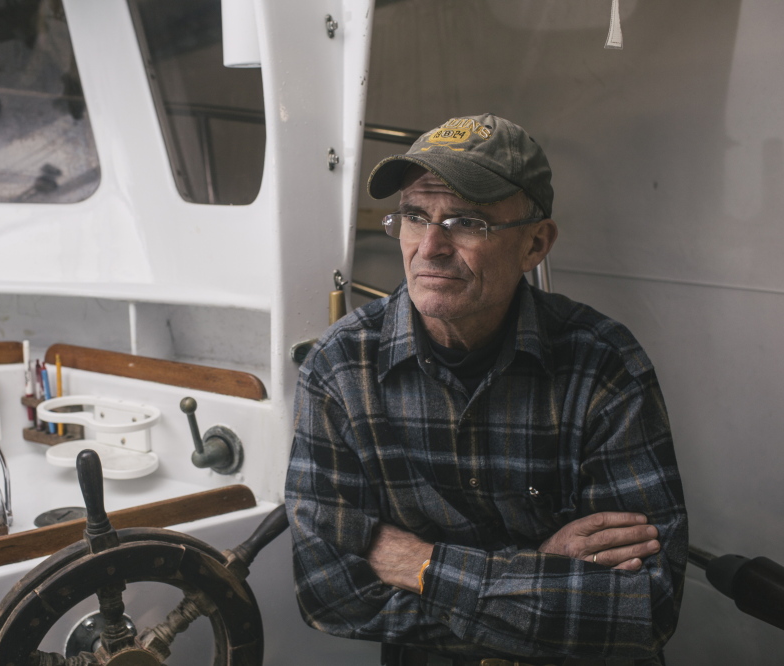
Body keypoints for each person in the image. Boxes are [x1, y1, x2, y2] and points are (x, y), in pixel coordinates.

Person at [285, 113, 687, 666]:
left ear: (535, 244)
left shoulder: (603, 366)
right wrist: (536, 566)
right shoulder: (339, 368)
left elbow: (644, 609)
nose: (430, 247)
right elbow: (332, 595)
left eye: (466, 221)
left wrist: (419, 563)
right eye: (414, 216)